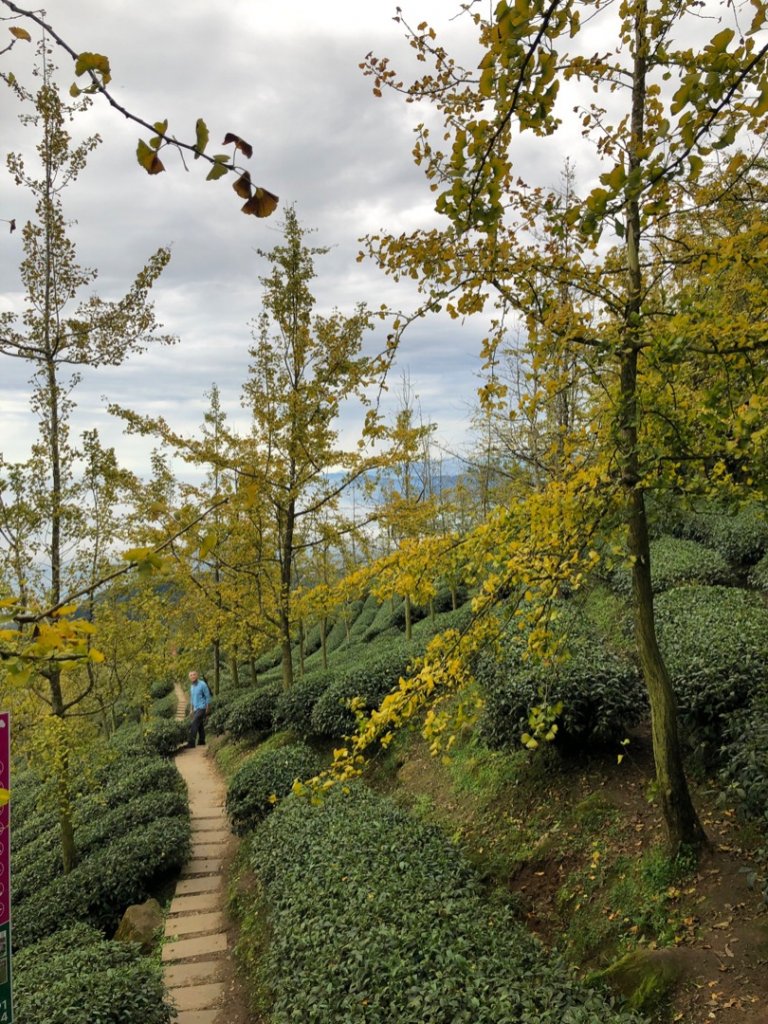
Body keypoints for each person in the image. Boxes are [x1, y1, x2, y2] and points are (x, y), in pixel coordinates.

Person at [187, 669, 212, 748]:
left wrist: (208, 707)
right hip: (195, 708)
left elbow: (208, 696)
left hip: (202, 707)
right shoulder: (192, 687)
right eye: (191, 675)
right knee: (200, 725)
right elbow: (192, 699)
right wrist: (191, 709)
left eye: (194, 674)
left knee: (194, 723)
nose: (192, 676)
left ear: (197, 675)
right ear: (189, 677)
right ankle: (202, 741)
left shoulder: (202, 684)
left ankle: (191, 743)